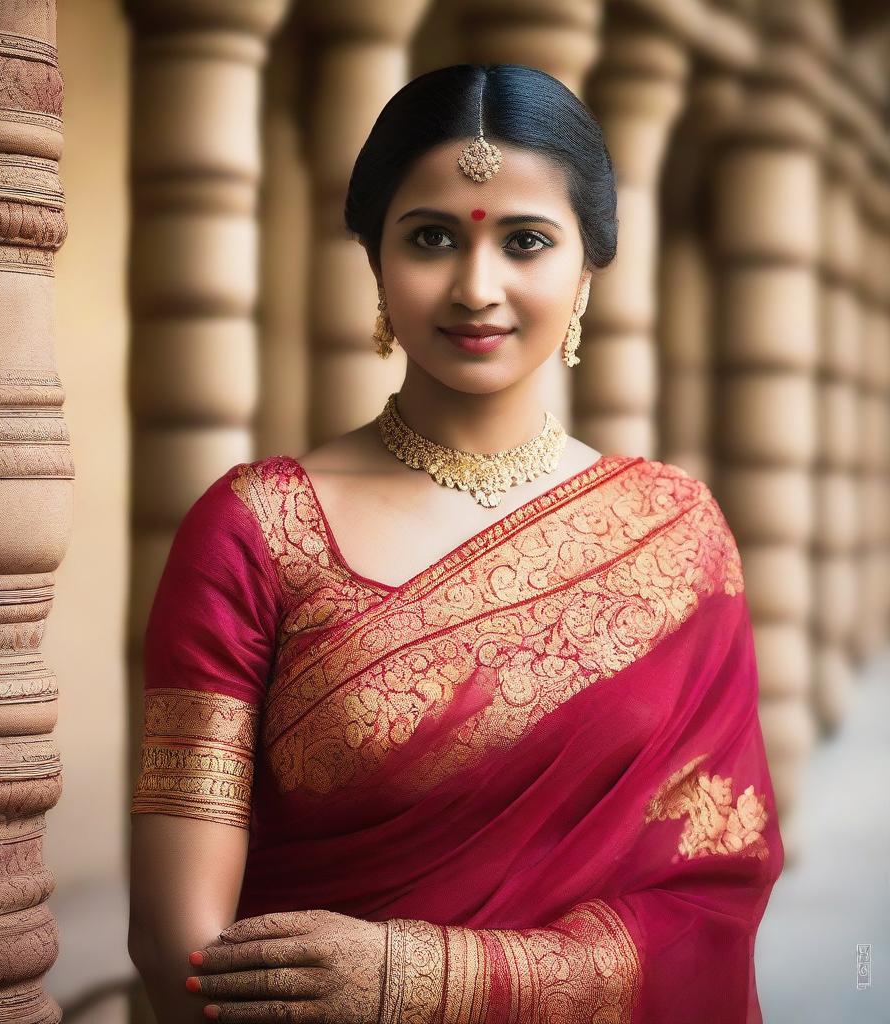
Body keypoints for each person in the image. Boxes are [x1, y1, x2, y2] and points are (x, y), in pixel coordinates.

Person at [128, 63, 784, 1023]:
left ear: (589, 268)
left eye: (526, 242)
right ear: (377, 263)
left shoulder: (677, 538)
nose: (478, 287)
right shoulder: (255, 531)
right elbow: (176, 942)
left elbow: (707, 904)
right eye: (432, 238)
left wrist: (424, 982)